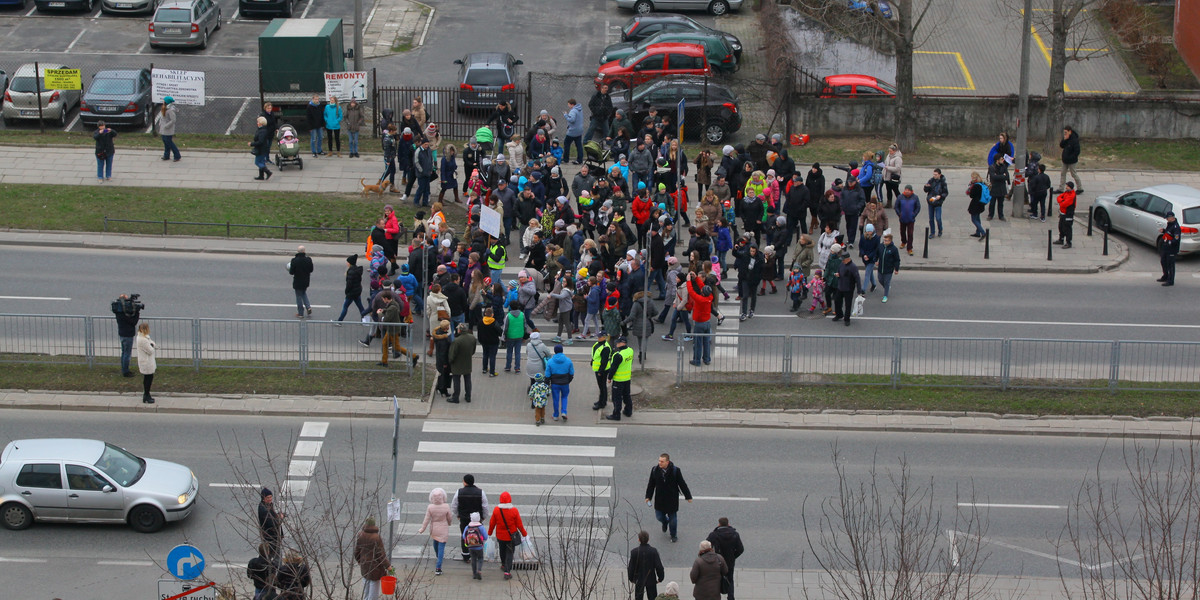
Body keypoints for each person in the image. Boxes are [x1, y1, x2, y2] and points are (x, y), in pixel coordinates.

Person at [645, 453, 692, 543]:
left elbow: (682, 484)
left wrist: (688, 496)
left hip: (672, 500)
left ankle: (673, 535)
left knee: (673, 520)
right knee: (659, 517)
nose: (660, 463)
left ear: (667, 462)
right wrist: (648, 496)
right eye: (659, 461)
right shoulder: (655, 470)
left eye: (662, 461)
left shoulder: (675, 471)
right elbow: (651, 484)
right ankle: (665, 522)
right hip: (660, 500)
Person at [488, 491, 528, 580]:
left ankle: (503, 565)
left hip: (500, 536)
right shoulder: (514, 510)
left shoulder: (496, 510)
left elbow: (492, 523)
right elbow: (519, 524)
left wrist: (489, 533)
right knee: (509, 553)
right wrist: (524, 534)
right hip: (511, 537)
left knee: (502, 550)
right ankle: (507, 571)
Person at [450, 474, 488, 562]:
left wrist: (458, 515)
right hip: (477, 519)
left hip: (464, 518)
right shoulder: (480, 492)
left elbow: (454, 506)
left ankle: (466, 555)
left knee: (465, 535)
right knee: (478, 534)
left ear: (464, 482)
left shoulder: (459, 492)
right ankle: (477, 553)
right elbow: (485, 506)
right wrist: (483, 517)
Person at [706, 518, 744, 600]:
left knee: (716, 580)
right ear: (728, 524)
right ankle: (731, 597)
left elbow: (706, 546)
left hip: (717, 562)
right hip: (730, 562)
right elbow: (741, 549)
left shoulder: (714, 534)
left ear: (719, 524)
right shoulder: (735, 534)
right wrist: (733, 556)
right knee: (730, 579)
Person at [417, 487, 454, 575]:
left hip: (434, 529)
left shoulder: (430, 507)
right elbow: (450, 517)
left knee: (435, 543)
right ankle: (438, 567)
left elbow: (426, 519)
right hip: (443, 529)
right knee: (441, 547)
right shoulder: (446, 506)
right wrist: (449, 523)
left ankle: (438, 556)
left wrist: (422, 529)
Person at [353, 517, 390, 600]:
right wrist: (388, 566)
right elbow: (381, 555)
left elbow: (357, 552)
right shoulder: (376, 537)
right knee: (373, 593)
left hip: (364, 566)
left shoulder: (360, 535)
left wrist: (360, 561)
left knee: (366, 590)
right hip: (375, 569)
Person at [686, 273, 714, 366]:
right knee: (706, 342)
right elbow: (703, 287)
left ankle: (697, 361)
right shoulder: (710, 297)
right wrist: (697, 278)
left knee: (697, 343)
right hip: (707, 322)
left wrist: (689, 281)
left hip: (699, 323)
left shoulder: (700, 299)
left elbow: (691, 291)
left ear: (702, 293)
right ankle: (707, 359)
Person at [604, 336, 635, 421]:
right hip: (627, 378)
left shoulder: (618, 355)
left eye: (618, 342)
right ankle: (628, 411)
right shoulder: (630, 350)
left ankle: (616, 415)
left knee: (616, 398)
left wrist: (609, 378)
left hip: (618, 380)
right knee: (626, 396)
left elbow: (613, 368)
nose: (616, 343)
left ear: (623, 343)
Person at [628, 530, 665, 600]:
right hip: (651, 579)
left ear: (639, 540)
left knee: (638, 597)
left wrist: (631, 578)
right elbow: (659, 566)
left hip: (639, 579)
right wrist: (660, 578)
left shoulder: (634, 552)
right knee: (652, 597)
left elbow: (631, 568)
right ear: (648, 539)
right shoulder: (653, 551)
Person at [543, 343, 575, 421]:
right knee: (564, 397)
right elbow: (571, 372)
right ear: (562, 351)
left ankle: (556, 415)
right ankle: (564, 412)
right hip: (565, 383)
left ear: (554, 351)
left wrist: (547, 382)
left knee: (556, 399)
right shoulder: (568, 360)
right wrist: (568, 380)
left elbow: (547, 374)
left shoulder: (550, 362)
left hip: (555, 383)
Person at [112, 294, 140, 378]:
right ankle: (126, 371)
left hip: (122, 333)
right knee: (127, 354)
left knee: (124, 352)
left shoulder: (119, 311)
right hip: (128, 334)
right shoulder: (125, 313)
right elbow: (133, 322)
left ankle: (124, 369)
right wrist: (137, 312)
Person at [448, 322, 476, 403]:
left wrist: (450, 361)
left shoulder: (456, 341)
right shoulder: (472, 338)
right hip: (467, 362)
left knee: (456, 380)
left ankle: (455, 397)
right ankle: (468, 396)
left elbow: (452, 354)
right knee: (468, 380)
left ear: (459, 330)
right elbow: (473, 351)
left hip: (457, 364)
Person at [834, 251, 862, 325]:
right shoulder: (842, 264)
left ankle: (847, 319)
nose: (842, 261)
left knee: (848, 304)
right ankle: (839, 314)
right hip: (840, 286)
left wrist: (859, 290)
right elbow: (839, 271)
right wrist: (838, 274)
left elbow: (857, 279)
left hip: (848, 289)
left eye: (843, 259)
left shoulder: (853, 267)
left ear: (848, 259)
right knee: (837, 301)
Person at [503, 302, 531, 373]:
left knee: (509, 352)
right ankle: (517, 368)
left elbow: (505, 327)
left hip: (510, 336)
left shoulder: (508, 316)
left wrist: (504, 336)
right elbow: (525, 326)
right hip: (519, 336)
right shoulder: (522, 314)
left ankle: (508, 367)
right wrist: (525, 336)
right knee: (517, 352)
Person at [258, 487, 284, 562]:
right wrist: (280, 518)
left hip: (270, 536)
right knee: (276, 557)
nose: (270, 499)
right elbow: (273, 523)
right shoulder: (264, 510)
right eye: (268, 497)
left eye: (271, 497)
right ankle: (275, 571)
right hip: (271, 537)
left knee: (270, 556)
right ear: (263, 498)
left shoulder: (267, 506)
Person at [337, 254, 366, 322]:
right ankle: (364, 320)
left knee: (345, 307)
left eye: (347, 262)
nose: (347, 263)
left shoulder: (351, 272)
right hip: (357, 291)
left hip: (351, 293)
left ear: (350, 263)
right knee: (360, 307)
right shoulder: (357, 270)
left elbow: (349, 284)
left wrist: (346, 292)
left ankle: (339, 321)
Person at [590, 332, 614, 410]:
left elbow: (604, 361)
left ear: (604, 337)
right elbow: (596, 355)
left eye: (600, 337)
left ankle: (602, 403)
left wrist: (600, 371)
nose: (598, 338)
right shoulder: (598, 343)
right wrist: (592, 361)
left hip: (602, 370)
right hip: (597, 368)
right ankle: (602, 400)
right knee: (601, 386)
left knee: (602, 386)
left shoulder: (606, 348)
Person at [894, 185, 920, 255]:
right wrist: (899, 214)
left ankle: (909, 248)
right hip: (902, 218)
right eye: (906, 190)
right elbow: (896, 206)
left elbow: (918, 207)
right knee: (902, 231)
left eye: (908, 190)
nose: (907, 191)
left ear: (911, 191)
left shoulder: (915, 197)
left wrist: (914, 214)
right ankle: (903, 241)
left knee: (910, 234)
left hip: (911, 219)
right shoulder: (900, 197)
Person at [289, 245, 314, 318]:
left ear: (298, 252)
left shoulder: (294, 260)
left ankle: (300, 313)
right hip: (306, 280)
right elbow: (311, 270)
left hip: (297, 281)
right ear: (304, 251)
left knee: (298, 297)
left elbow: (291, 272)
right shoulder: (308, 260)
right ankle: (308, 306)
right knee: (303, 293)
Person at [923, 168, 948, 238]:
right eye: (934, 174)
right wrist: (926, 187)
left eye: (936, 175)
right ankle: (932, 232)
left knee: (938, 218)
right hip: (931, 201)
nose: (934, 176)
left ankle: (940, 229)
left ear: (939, 175)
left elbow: (945, 192)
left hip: (938, 203)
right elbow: (926, 190)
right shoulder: (931, 181)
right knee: (931, 219)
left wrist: (940, 196)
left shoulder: (943, 183)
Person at [135, 322, 156, 404]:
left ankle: (147, 394)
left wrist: (152, 344)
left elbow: (152, 343)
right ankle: (146, 395)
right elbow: (150, 350)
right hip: (146, 362)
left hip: (145, 361)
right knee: (148, 378)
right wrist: (152, 345)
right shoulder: (143, 340)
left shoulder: (142, 337)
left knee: (148, 378)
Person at [463, 512, 488, 580]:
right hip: (479, 546)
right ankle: (479, 571)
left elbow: (463, 536)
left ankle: (474, 574)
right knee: (480, 558)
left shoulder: (467, 527)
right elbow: (485, 537)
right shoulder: (480, 527)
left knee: (473, 559)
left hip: (470, 546)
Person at [1159, 211, 1181, 286]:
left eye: (1167, 218)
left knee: (1170, 265)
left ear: (1172, 218)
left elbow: (1176, 239)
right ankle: (1165, 276)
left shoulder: (1176, 227)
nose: (1166, 219)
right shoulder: (1170, 225)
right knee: (1163, 261)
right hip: (1166, 248)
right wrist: (1164, 231)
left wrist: (1169, 242)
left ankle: (1170, 281)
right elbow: (1169, 233)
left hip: (1171, 249)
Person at [1058, 125, 1083, 193]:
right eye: (1064, 132)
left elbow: (1077, 151)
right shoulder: (1067, 138)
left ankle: (1080, 188)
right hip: (1065, 160)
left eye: (1066, 132)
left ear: (1070, 131)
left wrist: (1071, 157)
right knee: (1063, 173)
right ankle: (1061, 188)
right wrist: (1064, 139)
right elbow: (1061, 146)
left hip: (1072, 161)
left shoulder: (1074, 140)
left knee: (1074, 174)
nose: (1065, 134)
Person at [878, 232, 901, 303]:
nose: (885, 242)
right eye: (884, 240)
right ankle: (887, 288)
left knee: (887, 282)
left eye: (887, 240)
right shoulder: (881, 246)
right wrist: (875, 260)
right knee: (880, 280)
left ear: (890, 241)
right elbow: (877, 253)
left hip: (889, 269)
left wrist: (896, 269)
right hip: (880, 268)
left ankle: (885, 295)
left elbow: (897, 260)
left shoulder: (894, 249)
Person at [987, 154, 1009, 221]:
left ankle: (1001, 215)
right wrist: (1002, 176)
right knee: (992, 203)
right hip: (994, 187)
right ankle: (990, 215)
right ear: (997, 160)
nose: (1003, 160)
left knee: (1001, 203)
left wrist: (999, 176)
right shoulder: (992, 167)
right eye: (1001, 159)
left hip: (1001, 188)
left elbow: (1007, 176)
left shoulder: (1004, 166)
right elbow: (993, 177)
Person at [1055, 182, 1077, 250]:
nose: (1066, 187)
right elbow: (1059, 197)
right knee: (1061, 227)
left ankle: (1068, 242)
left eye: (1067, 186)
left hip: (1068, 214)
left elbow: (1063, 204)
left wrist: (1061, 201)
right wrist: (1062, 200)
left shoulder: (1072, 195)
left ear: (1070, 187)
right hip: (1062, 213)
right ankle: (1061, 239)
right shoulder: (1066, 192)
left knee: (1067, 229)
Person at [251, 116, 274, 181]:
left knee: (257, 162)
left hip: (261, 149)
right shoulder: (262, 130)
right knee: (261, 162)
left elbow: (260, 141)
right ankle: (261, 176)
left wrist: (251, 144)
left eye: (258, 122)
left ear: (261, 123)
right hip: (263, 149)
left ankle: (268, 172)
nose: (257, 123)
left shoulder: (262, 131)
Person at [158, 96, 181, 162]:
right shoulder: (165, 108)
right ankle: (166, 155)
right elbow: (162, 117)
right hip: (164, 128)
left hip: (168, 129)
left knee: (169, 142)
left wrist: (166, 126)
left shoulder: (170, 110)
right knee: (165, 142)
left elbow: (173, 120)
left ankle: (177, 155)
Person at [966, 172, 987, 238]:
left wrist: (970, 188)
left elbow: (971, 195)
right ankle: (978, 233)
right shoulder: (982, 183)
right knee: (977, 218)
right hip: (981, 203)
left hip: (975, 204)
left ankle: (983, 232)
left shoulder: (975, 186)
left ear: (973, 178)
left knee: (974, 219)